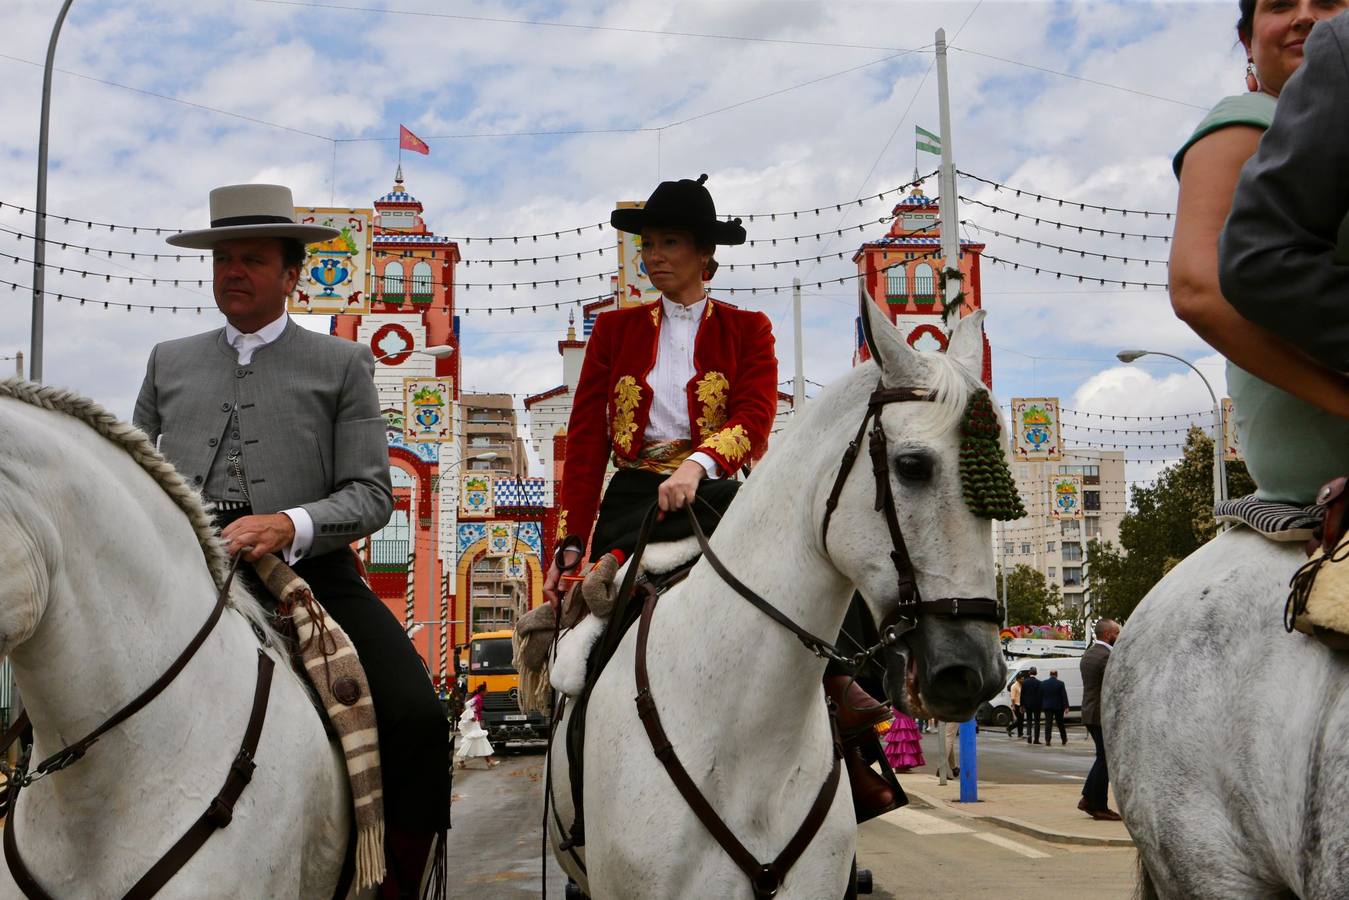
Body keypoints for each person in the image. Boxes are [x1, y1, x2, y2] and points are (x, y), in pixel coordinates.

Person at [134, 183, 448, 898]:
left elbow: (371, 494)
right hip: (185, 569)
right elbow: (139, 474)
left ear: (290, 275)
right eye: (222, 259)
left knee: (418, 719)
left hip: (311, 575)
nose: (232, 272)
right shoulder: (167, 361)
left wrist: (288, 524)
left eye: (250, 259)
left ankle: (392, 885)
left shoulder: (340, 366)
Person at [1171, 0, 1349, 512]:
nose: (1304, 16)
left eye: (1327, 2)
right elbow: (1199, 292)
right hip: (1322, 475)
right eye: (1280, 5)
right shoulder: (1247, 121)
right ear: (1248, 43)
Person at [1079, 620, 1122, 821]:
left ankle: (1088, 799)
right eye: (1117, 632)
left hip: (1090, 712)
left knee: (1102, 758)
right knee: (1105, 760)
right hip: (1100, 714)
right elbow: (1114, 687)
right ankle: (1099, 806)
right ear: (1107, 635)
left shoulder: (1089, 653)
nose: (1119, 636)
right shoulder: (1107, 657)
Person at [454, 683, 500, 770]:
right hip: (473, 722)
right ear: (482, 691)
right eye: (486, 690)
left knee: (477, 740)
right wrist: (471, 716)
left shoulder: (479, 698)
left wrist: (473, 716)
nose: (487, 692)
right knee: (479, 739)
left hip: (475, 722)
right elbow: (467, 704)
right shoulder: (477, 698)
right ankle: (488, 761)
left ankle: (462, 761)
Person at [1040, 669, 1070, 747]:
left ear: (1050, 674)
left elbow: (1041, 695)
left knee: (1048, 723)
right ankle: (1064, 739)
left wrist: (1041, 705)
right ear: (1056, 675)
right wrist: (1066, 706)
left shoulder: (1043, 683)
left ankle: (1047, 740)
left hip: (1047, 706)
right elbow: (1064, 696)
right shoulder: (1060, 683)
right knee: (1060, 723)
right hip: (1058, 707)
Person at [1021, 667, 1043, 745]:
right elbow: (1041, 695)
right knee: (1037, 722)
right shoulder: (1039, 683)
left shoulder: (1024, 683)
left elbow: (1022, 695)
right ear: (1036, 673)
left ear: (1029, 673)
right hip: (1037, 705)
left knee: (1029, 722)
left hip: (1027, 705)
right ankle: (1036, 739)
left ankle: (1029, 738)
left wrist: (1022, 706)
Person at [1006, 671, 1026, 739]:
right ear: (1018, 679)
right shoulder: (1014, 686)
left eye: (1023, 679)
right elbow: (1012, 697)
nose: (1023, 680)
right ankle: (1018, 733)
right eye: (1022, 679)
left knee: (1020, 720)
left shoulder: (1021, 685)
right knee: (1020, 720)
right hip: (1016, 705)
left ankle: (1012, 729)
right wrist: (1013, 706)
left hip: (1021, 705)